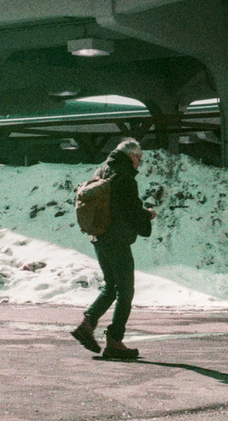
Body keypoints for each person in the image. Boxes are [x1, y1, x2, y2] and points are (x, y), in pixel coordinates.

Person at [71, 137, 156, 359]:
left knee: (111, 287)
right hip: (116, 240)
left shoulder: (102, 171)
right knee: (125, 290)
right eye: (139, 158)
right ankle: (114, 341)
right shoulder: (124, 176)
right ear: (131, 156)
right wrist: (147, 215)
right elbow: (130, 210)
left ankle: (87, 325)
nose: (139, 162)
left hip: (99, 236)